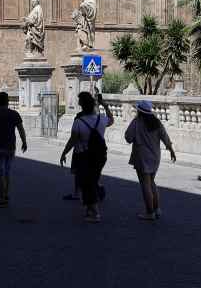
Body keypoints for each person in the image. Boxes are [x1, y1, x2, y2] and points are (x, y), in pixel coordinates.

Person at [60, 89, 114, 223]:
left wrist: (64, 153)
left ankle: (95, 213)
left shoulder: (79, 121)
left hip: (84, 156)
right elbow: (111, 120)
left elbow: (72, 140)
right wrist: (105, 105)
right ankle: (89, 209)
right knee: (91, 181)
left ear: (82, 106)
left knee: (87, 184)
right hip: (101, 155)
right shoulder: (101, 119)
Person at [124, 99, 176, 220]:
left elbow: (128, 138)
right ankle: (156, 209)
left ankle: (149, 212)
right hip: (155, 157)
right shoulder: (156, 122)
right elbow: (166, 138)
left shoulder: (137, 122)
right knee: (151, 182)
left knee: (145, 185)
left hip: (142, 157)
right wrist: (172, 151)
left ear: (139, 111)